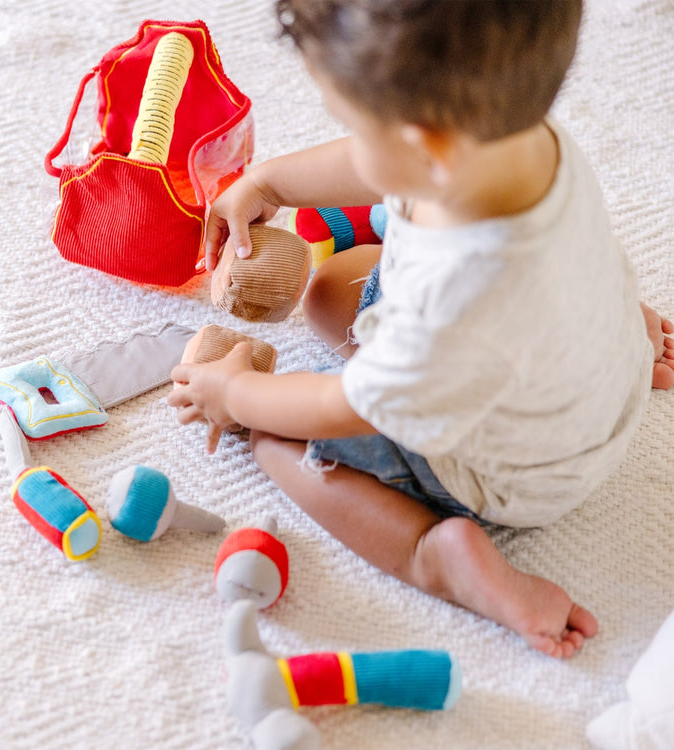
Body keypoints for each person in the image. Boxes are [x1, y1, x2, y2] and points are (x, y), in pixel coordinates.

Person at [168, 0, 674, 658]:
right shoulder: (514, 138)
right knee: (327, 293)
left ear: (424, 149)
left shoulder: (455, 301)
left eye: (350, 120)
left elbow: (342, 406)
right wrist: (268, 183)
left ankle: (435, 556)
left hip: (514, 471)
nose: (349, 137)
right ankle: (610, 331)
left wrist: (232, 396)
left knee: (274, 437)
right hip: (579, 367)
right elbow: (369, 163)